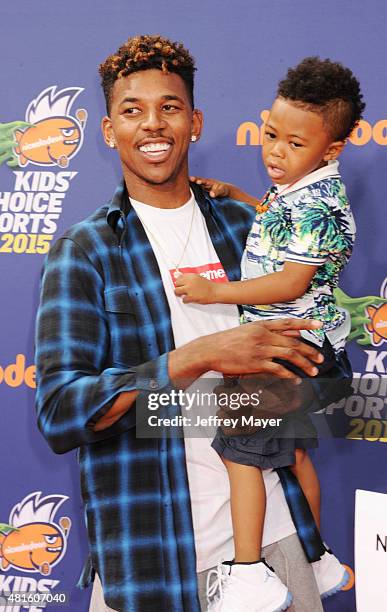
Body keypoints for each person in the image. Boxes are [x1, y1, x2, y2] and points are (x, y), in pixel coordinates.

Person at [35, 37, 333, 612]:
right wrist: (200, 357)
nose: (153, 125)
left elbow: (317, 350)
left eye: (169, 107)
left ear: (194, 122)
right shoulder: (85, 249)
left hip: (272, 537)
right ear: (107, 129)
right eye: (132, 110)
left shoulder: (249, 222)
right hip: (152, 550)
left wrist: (293, 374)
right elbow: (60, 411)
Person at [174, 57, 364, 609]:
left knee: (240, 454)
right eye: (270, 135)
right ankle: (318, 558)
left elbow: (289, 280)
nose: (275, 153)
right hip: (308, 352)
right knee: (295, 455)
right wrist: (238, 193)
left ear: (330, 150)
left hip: (288, 351)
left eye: (294, 145)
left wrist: (215, 293)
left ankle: (250, 572)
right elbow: (286, 229)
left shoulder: (321, 201)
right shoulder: (302, 190)